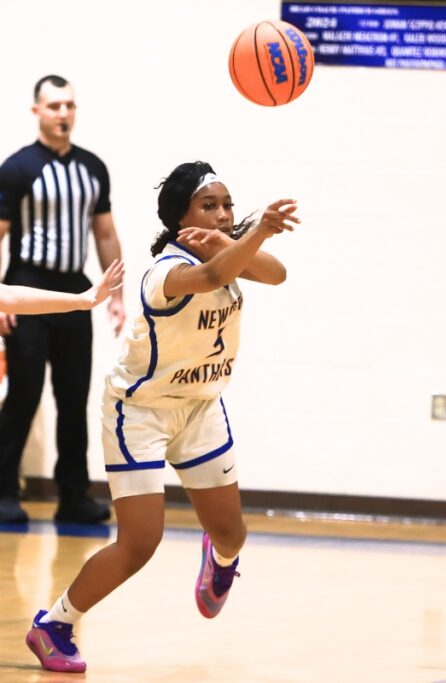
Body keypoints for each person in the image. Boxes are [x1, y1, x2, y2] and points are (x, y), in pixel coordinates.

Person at [25, 162, 299, 673]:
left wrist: (234, 241)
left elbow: (277, 274)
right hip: (140, 412)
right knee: (140, 543)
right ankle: (54, 624)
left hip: (199, 407)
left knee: (232, 534)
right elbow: (213, 277)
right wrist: (255, 232)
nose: (223, 214)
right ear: (180, 217)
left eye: (227, 204)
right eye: (209, 206)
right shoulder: (164, 272)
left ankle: (219, 560)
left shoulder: (228, 254)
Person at [0, 74, 125, 524]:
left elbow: (105, 233)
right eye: (54, 106)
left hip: (76, 289)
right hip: (26, 286)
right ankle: (3, 492)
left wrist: (116, 296)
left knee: (74, 397)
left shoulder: (93, 168)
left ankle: (73, 495)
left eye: (69, 105)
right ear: (37, 111)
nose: (63, 113)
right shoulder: (17, 168)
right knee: (25, 393)